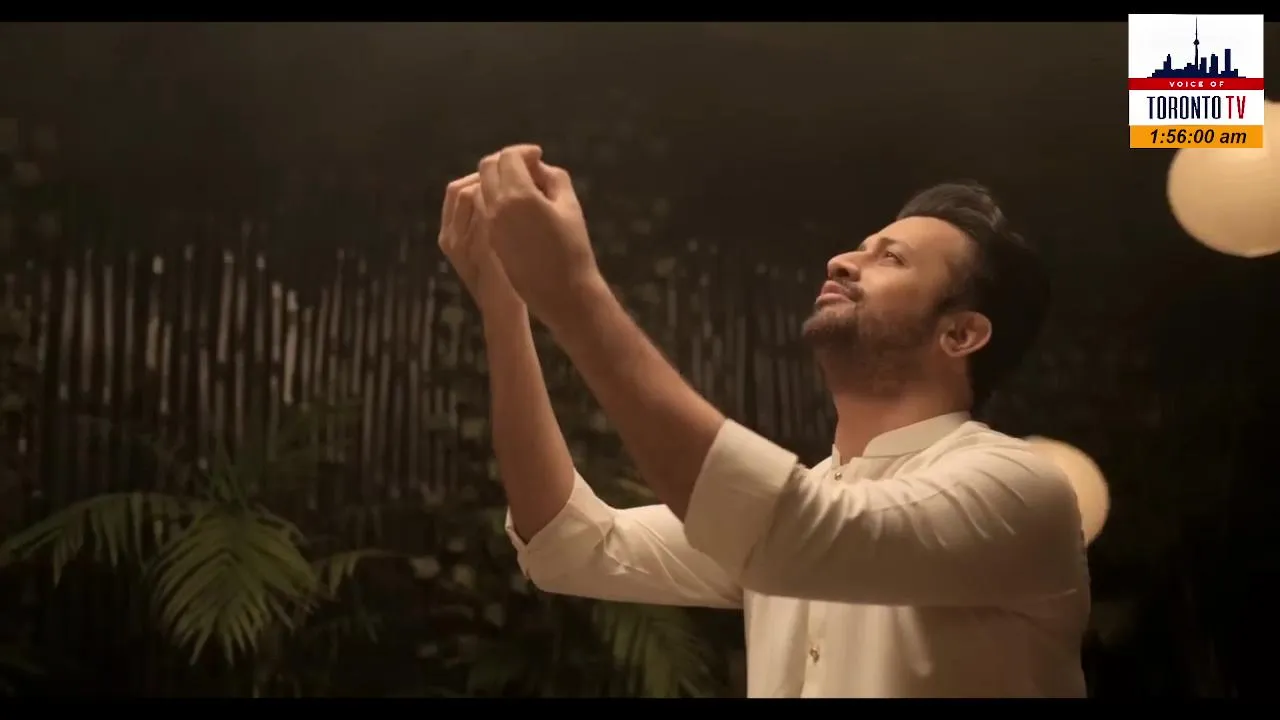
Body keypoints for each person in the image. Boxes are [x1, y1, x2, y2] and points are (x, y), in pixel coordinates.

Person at [437, 144, 1090, 698]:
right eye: (861, 248)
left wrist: (573, 291)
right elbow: (569, 546)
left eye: (891, 258)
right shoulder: (807, 505)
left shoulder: (1018, 488)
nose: (842, 261)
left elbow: (797, 534)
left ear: (961, 334)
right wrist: (505, 303)